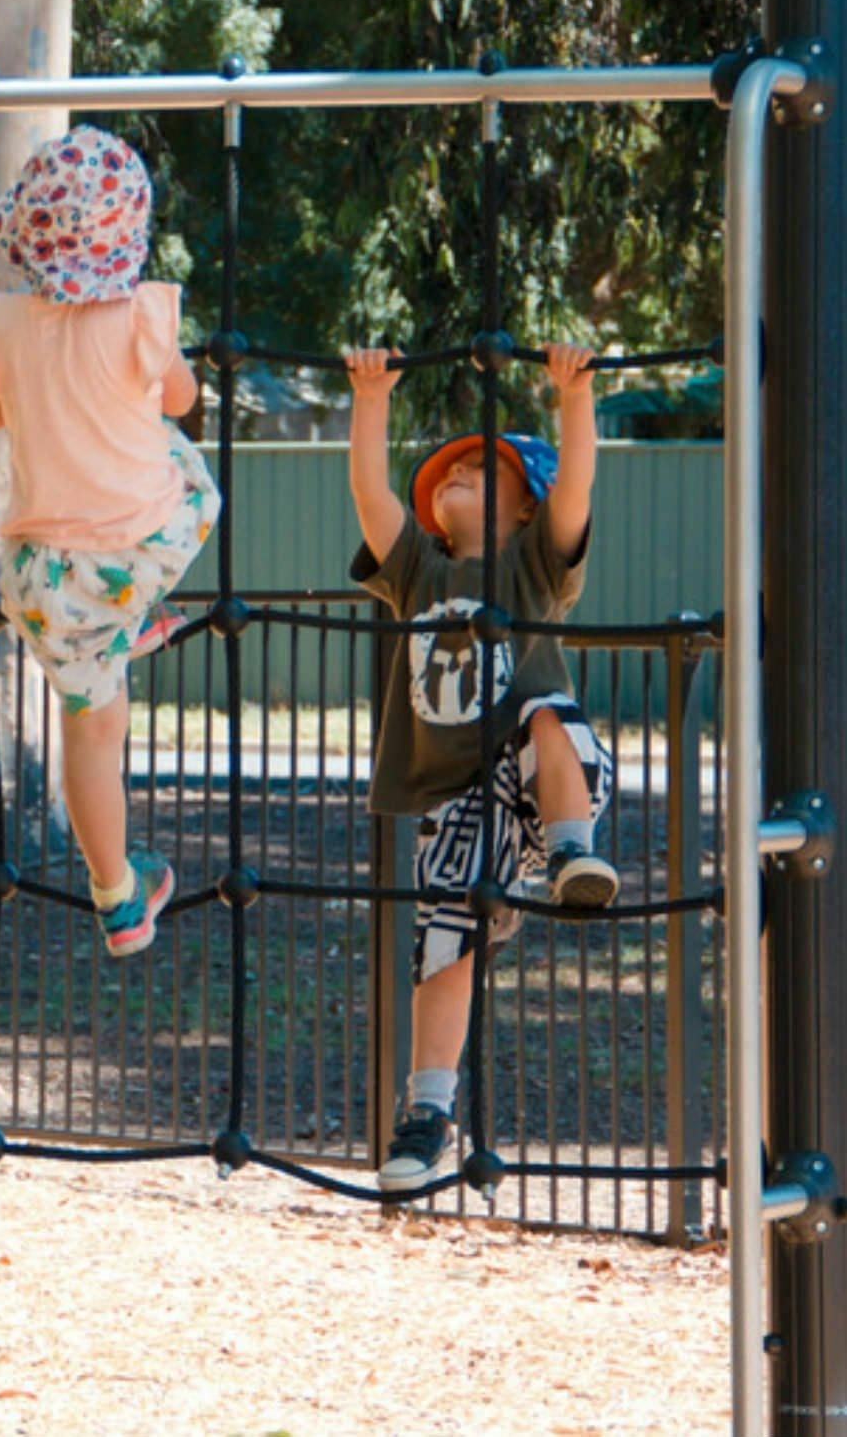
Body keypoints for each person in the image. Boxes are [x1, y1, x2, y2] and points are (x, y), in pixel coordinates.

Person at [0, 127, 221, 959]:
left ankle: (118, 896)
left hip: (35, 575)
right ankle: (135, 617)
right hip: (131, 552)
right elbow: (182, 396)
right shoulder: (138, 317)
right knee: (195, 480)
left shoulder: (0, 323)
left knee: (91, 728)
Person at [344, 342, 620, 1192]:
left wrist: (574, 398)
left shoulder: (532, 569)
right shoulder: (421, 572)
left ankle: (575, 851)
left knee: (543, 711)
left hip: (546, 778)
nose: (457, 469)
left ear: (525, 506)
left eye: (479, 467)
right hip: (459, 805)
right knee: (444, 947)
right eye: (450, 470)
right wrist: (371, 398)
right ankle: (427, 1113)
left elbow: (576, 490)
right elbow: (371, 494)